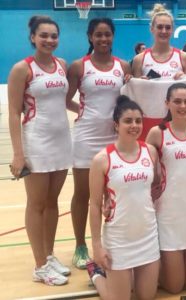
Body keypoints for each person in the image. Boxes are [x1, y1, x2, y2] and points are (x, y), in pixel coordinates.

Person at [8, 16, 72, 286]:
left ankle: (48, 255)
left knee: (52, 202)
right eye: (43, 35)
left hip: (61, 141)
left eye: (54, 35)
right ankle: (38, 266)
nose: (49, 40)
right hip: (36, 141)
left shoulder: (62, 65)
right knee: (36, 204)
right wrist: (18, 154)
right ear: (32, 37)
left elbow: (64, 102)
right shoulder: (22, 69)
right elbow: (13, 113)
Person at [66, 17, 131, 270]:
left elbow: (127, 102)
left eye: (107, 34)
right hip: (86, 137)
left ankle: (110, 243)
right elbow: (66, 99)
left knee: (112, 194)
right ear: (90, 37)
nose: (103, 39)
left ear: (113, 36)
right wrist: (83, 113)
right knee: (83, 195)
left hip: (114, 139)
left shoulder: (123, 66)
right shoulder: (78, 67)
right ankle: (81, 245)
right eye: (98, 35)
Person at [87, 95, 160, 299]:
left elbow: (155, 185)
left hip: (147, 235)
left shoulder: (150, 152)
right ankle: (95, 274)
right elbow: (94, 205)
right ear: (116, 125)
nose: (134, 125)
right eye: (128, 121)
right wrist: (96, 246)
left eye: (138, 121)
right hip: (119, 240)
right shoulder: (102, 159)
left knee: (146, 296)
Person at [146, 83, 186, 293]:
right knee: (174, 288)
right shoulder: (157, 133)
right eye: (177, 101)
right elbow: (144, 167)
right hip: (169, 214)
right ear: (167, 104)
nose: (183, 106)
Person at [132, 3, 186, 139]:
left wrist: (185, 79)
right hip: (149, 118)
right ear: (152, 29)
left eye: (167, 27)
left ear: (172, 30)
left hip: (177, 120)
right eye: (159, 27)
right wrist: (140, 83)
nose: (164, 31)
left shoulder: (184, 58)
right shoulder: (140, 59)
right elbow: (135, 97)